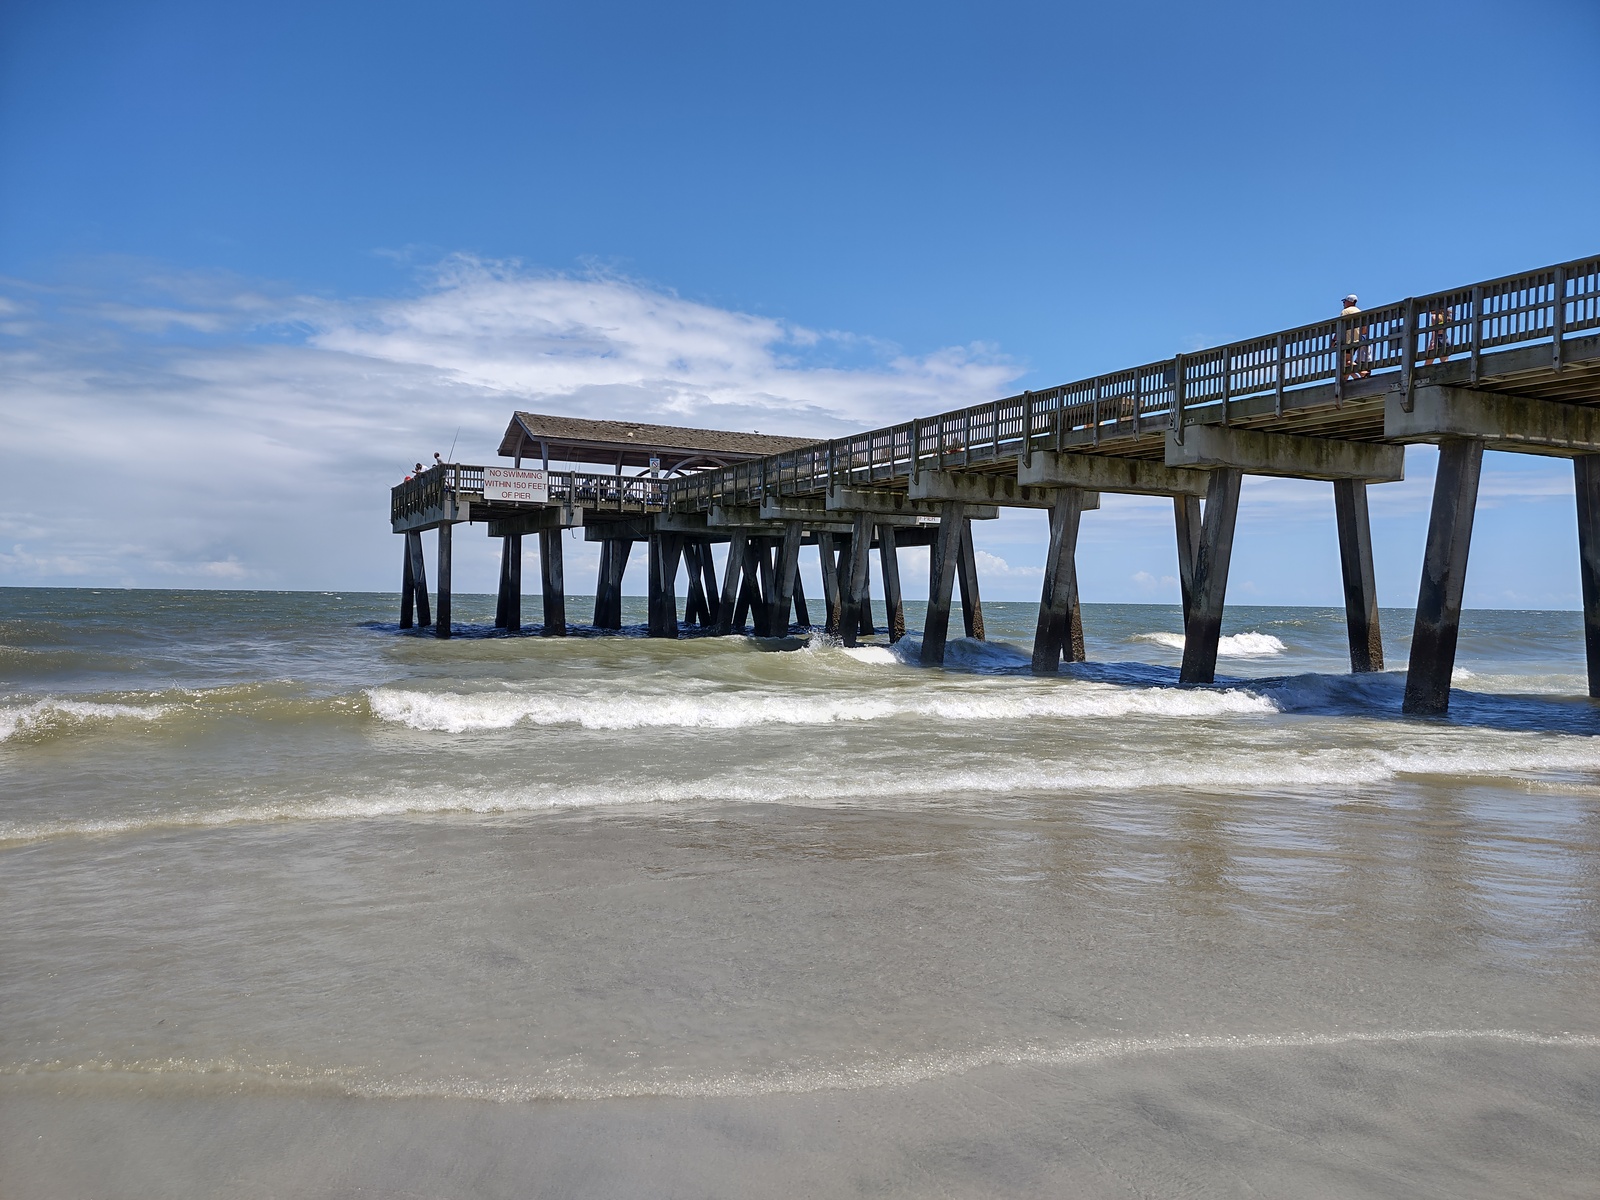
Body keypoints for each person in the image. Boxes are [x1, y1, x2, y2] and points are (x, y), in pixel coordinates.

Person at [1340, 294, 1369, 378]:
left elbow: (1341, 326)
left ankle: (1362, 373)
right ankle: (1347, 380)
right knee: (1345, 364)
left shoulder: (1345, 312)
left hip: (1348, 341)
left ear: (1349, 302)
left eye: (1344, 301)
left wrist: (1334, 340)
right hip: (1358, 340)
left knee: (1345, 362)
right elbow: (1364, 330)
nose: (1344, 303)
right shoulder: (1359, 312)